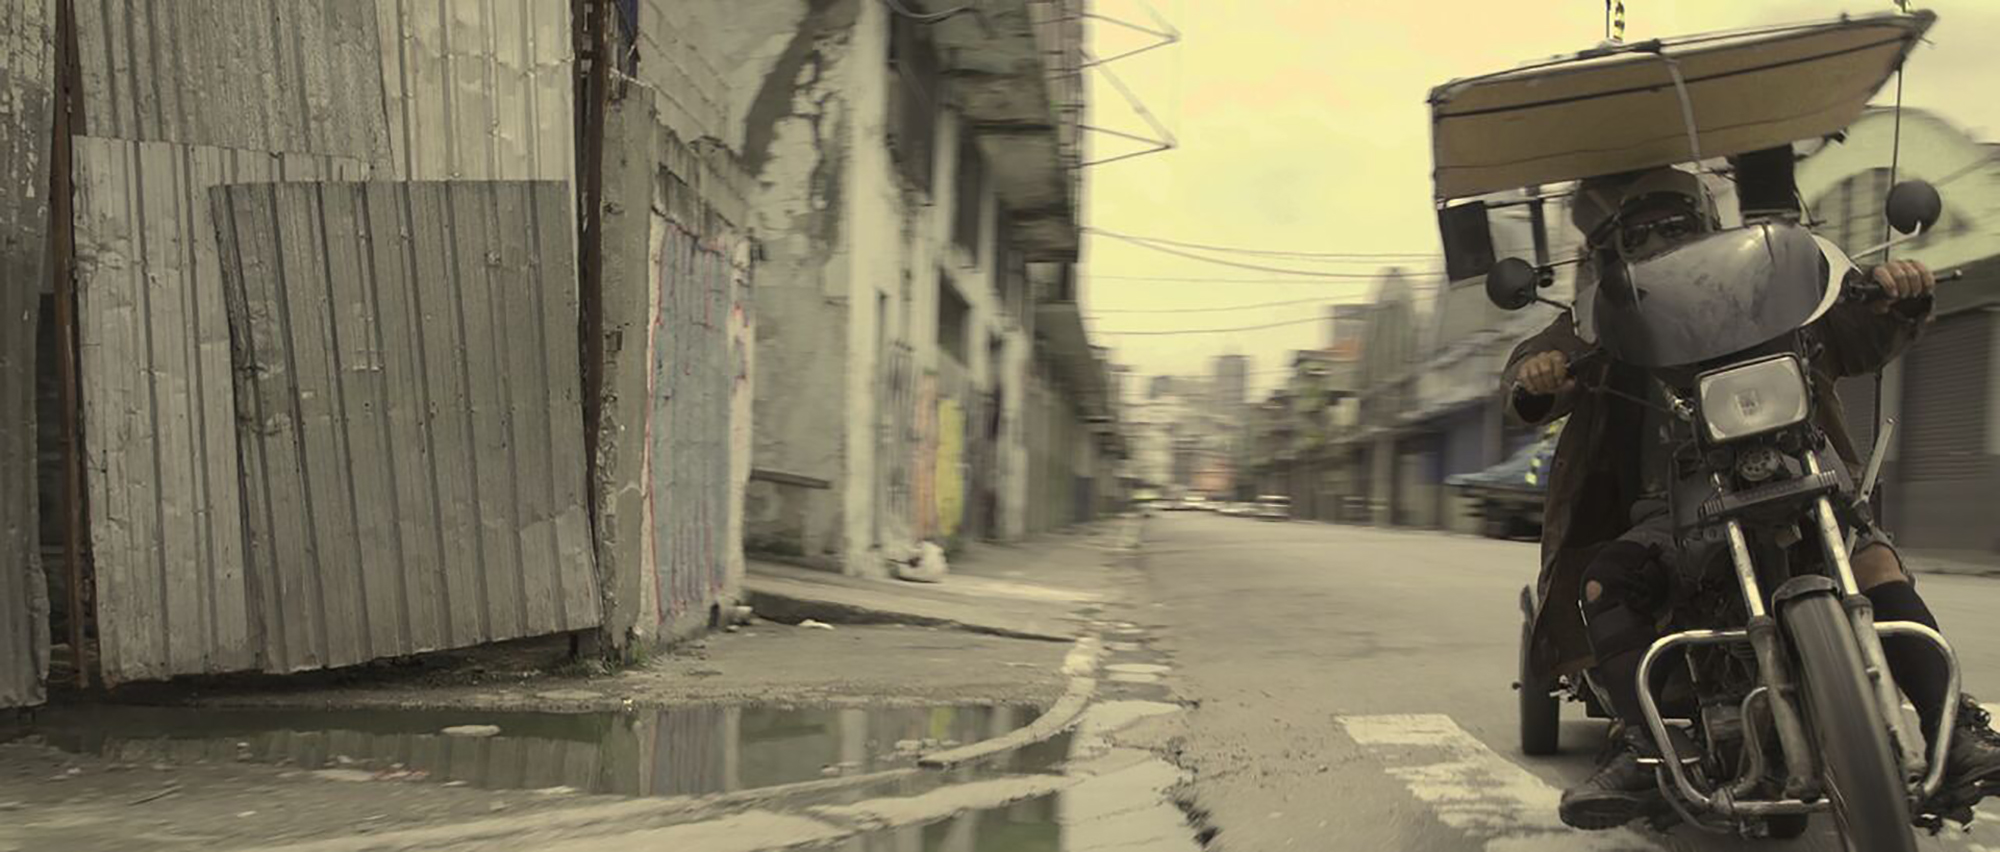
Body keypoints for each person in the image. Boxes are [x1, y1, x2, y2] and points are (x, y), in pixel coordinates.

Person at [1502, 166, 2000, 831]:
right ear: (1617, 246)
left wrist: (1894, 294)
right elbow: (1536, 367)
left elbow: (1854, 333)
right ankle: (1645, 748)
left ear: (1706, 225)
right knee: (1603, 583)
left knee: (1873, 560)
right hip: (1672, 512)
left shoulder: (1765, 286)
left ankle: (1954, 731)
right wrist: (1536, 375)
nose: (1661, 240)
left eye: (1675, 224)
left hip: (1798, 468)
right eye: (1643, 232)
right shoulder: (1603, 318)